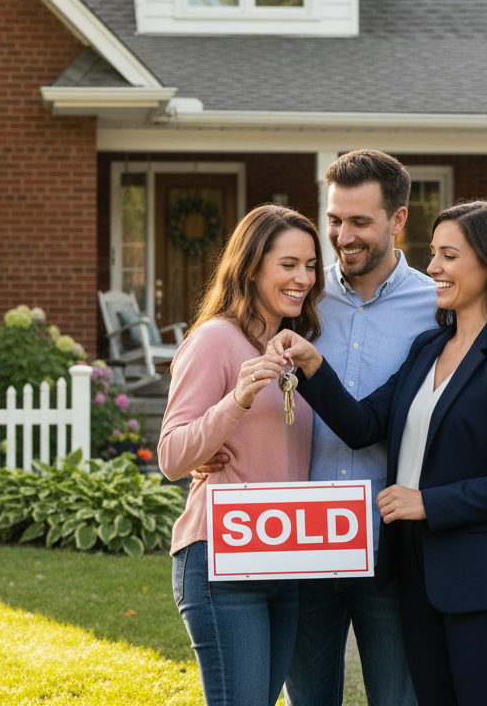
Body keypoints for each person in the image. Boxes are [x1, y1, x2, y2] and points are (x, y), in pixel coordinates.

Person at [195, 150, 487, 705]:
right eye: (334, 220)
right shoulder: (299, 295)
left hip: (391, 546)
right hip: (298, 543)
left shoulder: (439, 305)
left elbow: (477, 400)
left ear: (397, 220)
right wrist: (217, 435)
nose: (342, 237)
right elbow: (233, 362)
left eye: (360, 222)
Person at [272, 200, 487, 706]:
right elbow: (363, 426)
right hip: (416, 583)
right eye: (433, 254)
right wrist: (313, 365)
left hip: (484, 584)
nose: (432, 268)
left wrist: (427, 502)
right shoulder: (428, 347)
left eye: (449, 256)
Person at [158, 203, 325, 706]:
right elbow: (171, 456)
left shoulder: (298, 349)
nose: (303, 278)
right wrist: (236, 402)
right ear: (251, 267)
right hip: (220, 560)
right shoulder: (215, 340)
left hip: (284, 555)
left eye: (311, 265)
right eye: (288, 264)